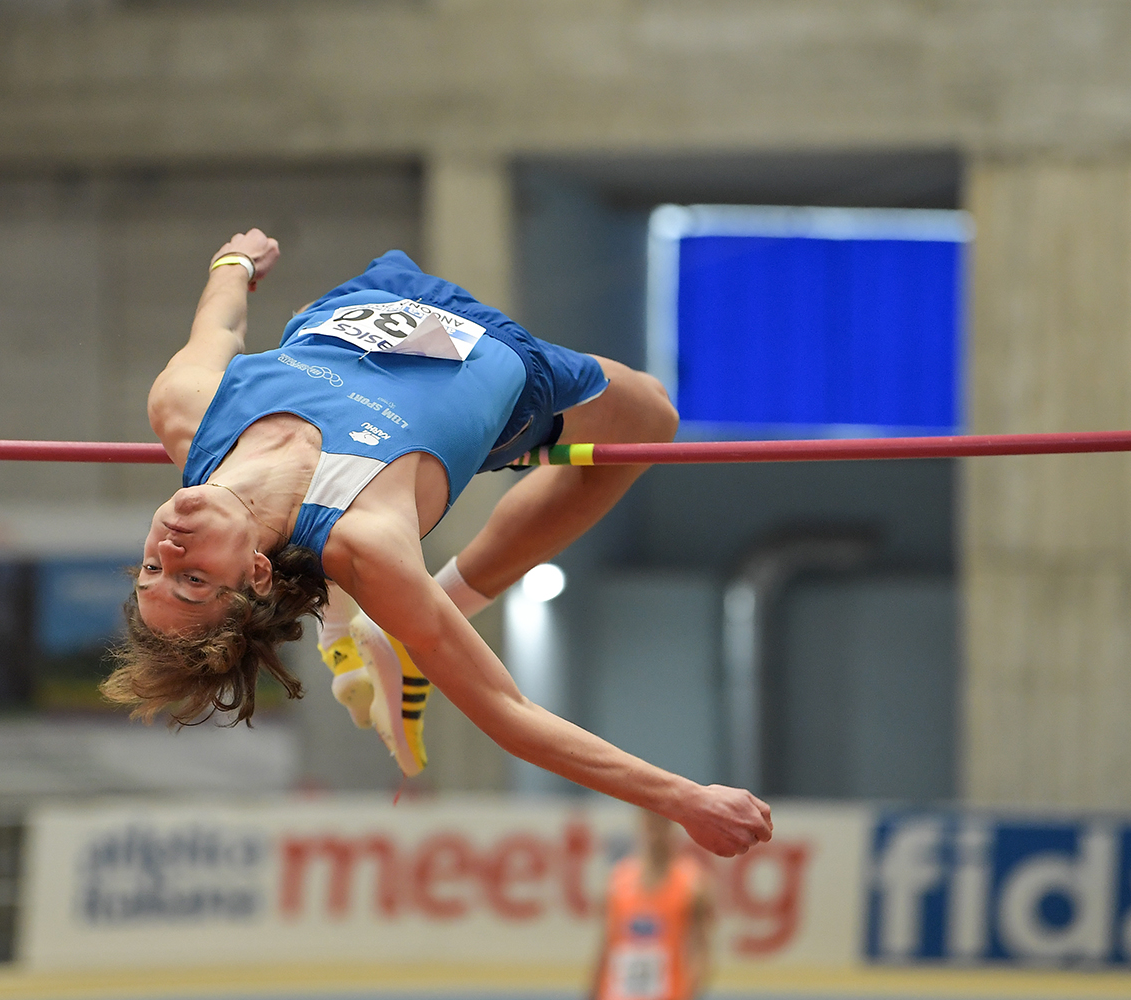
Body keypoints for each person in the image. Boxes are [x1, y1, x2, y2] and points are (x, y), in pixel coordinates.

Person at [103, 228, 771, 858]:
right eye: (192, 580)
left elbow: (220, 327)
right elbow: (507, 711)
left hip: (371, 299)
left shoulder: (186, 410)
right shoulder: (364, 537)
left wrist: (235, 263)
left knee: (302, 323)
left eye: (153, 567)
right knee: (653, 417)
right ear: (254, 574)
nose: (170, 547)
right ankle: (419, 614)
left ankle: (366, 624)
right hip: (506, 367)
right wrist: (683, 798)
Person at [590, 810, 715, 1000]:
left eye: (661, 821)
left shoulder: (692, 884)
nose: (655, 829)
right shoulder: (618, 880)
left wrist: (689, 992)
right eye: (649, 820)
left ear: (671, 825)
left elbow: (700, 952)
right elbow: (606, 946)